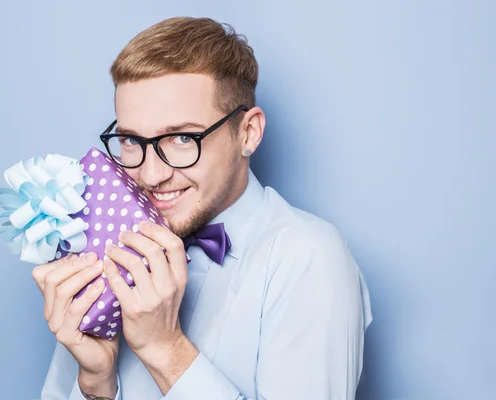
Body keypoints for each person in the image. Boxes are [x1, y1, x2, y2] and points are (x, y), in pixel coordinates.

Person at [33, 16, 372, 400]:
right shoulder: (104, 247)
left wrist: (165, 349)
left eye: (181, 137)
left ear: (248, 132)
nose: (150, 173)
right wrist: (95, 384)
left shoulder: (309, 257)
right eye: (130, 140)